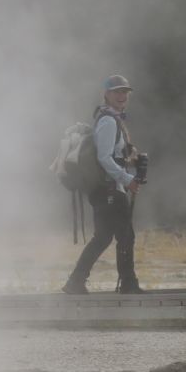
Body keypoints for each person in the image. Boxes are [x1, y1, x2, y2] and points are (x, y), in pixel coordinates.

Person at [62, 75, 145, 295]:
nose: (122, 96)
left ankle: (75, 282)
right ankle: (128, 284)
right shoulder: (108, 121)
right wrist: (128, 180)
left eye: (125, 92)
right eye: (117, 92)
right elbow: (105, 158)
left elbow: (111, 156)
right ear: (106, 94)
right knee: (125, 236)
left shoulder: (110, 119)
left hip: (105, 190)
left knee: (103, 238)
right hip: (110, 190)